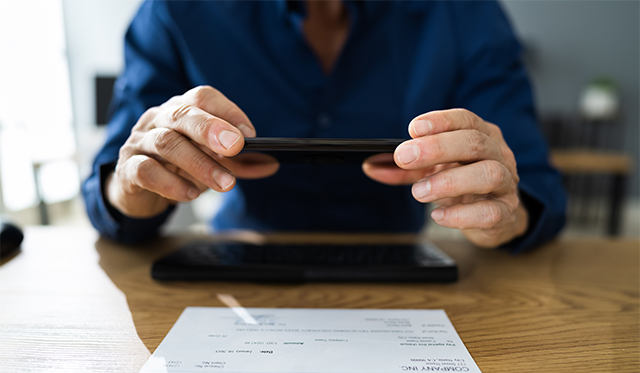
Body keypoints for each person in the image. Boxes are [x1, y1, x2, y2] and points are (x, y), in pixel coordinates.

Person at [83, 0, 566, 253]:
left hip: (404, 266)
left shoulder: (463, 12)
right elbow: (110, 189)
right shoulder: (176, 10)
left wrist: (504, 214)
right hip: (234, 267)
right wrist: (132, 190)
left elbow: (538, 193)